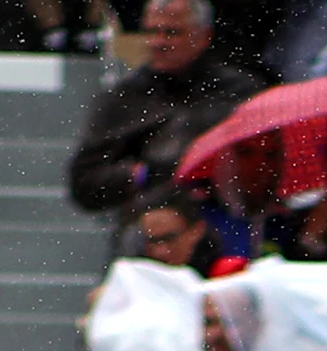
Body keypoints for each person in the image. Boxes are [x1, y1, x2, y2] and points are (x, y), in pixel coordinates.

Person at [70, 0, 269, 218]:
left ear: (204, 36)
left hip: (227, 219)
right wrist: (141, 174)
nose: (158, 42)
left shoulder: (238, 92)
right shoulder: (124, 99)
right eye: (151, 31)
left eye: (172, 33)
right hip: (149, 225)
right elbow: (84, 183)